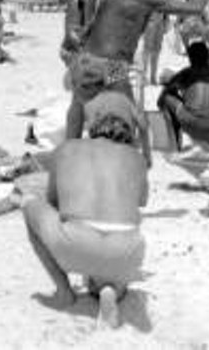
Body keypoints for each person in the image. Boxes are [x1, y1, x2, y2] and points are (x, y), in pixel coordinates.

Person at [65, 0, 209, 142]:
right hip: (112, 66)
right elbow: (197, 7)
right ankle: (131, 157)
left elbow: (95, 26)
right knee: (131, 117)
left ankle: (69, 148)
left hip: (85, 59)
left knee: (77, 108)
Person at [21, 110, 148, 330]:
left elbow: (54, 202)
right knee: (117, 233)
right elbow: (142, 201)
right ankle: (112, 291)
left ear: (93, 131)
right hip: (127, 248)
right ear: (127, 139)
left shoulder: (67, 148)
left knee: (28, 205)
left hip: (77, 242)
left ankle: (65, 292)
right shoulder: (136, 158)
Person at [157, 40, 209, 150]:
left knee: (167, 98)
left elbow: (160, 100)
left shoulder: (186, 73)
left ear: (190, 59)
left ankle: (175, 146)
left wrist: (183, 99)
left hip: (193, 126)